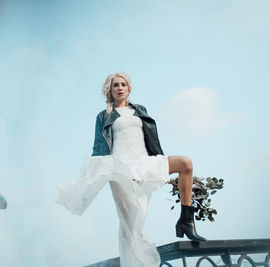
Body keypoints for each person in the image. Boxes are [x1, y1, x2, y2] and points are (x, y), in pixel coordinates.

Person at [57, 72, 205, 267]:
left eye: (123, 84)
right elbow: (98, 147)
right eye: (115, 85)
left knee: (185, 164)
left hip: (144, 162)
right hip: (120, 168)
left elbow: (152, 139)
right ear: (109, 91)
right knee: (133, 225)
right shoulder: (103, 116)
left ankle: (186, 220)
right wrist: (93, 173)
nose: (119, 88)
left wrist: (160, 167)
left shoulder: (140, 110)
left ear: (128, 88)